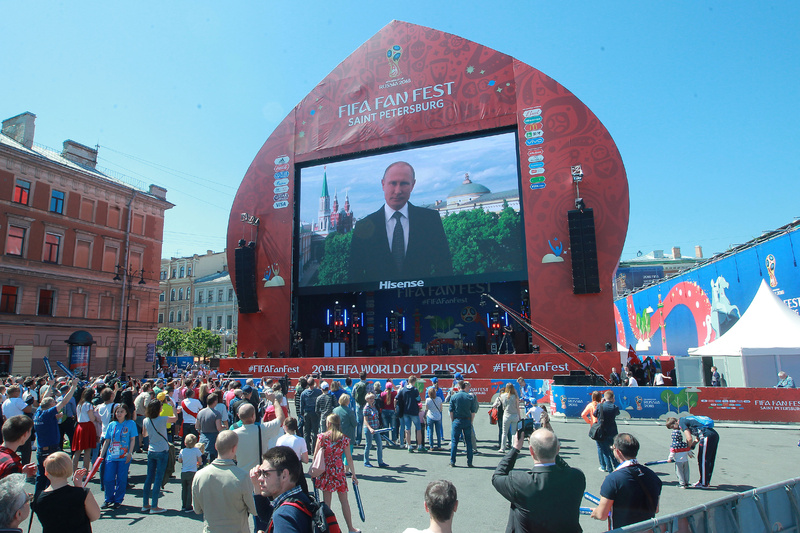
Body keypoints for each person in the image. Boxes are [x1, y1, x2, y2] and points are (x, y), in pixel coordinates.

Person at [348, 161, 453, 283]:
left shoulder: (430, 220)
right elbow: (354, 277)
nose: (397, 191)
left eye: (404, 184)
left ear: (412, 185)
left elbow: (445, 270)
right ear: (383, 184)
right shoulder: (363, 226)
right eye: (393, 183)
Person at [493, 428, 585, 533]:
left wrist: (515, 449)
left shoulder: (520, 482)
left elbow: (498, 476)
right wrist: (552, 450)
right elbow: (566, 469)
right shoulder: (577, 477)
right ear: (558, 449)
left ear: (531, 451)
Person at [590, 433, 662, 529]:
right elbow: (655, 509)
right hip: (646, 529)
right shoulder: (652, 476)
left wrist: (596, 512)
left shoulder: (613, 479)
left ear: (618, 452)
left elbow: (601, 515)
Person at [192, 430, 257, 532]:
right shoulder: (242, 477)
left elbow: (197, 509)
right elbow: (254, 509)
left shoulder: (199, 475)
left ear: (216, 446)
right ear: (234, 448)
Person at [313, 413, 360, 533]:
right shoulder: (343, 438)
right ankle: (350, 528)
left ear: (328, 424)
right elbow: (349, 458)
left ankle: (327, 528)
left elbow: (315, 456)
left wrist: (314, 472)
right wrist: (353, 474)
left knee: (326, 503)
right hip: (339, 471)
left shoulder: (322, 437)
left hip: (326, 471)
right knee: (344, 501)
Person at [33, 451, 101, 533]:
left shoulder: (38, 497)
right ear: (69, 470)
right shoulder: (82, 493)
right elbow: (95, 516)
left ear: (46, 472)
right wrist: (79, 487)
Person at [250, 445, 312, 532]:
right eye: (260, 472)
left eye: (266, 473)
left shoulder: (284, 514)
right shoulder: (301, 499)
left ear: (284, 475)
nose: (260, 478)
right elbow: (267, 515)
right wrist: (257, 486)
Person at [33, 378, 78, 497]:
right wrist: (73, 386)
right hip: (51, 450)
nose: (55, 405)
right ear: (50, 406)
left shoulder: (38, 413)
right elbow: (64, 401)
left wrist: (50, 385)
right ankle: (50, 498)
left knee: (41, 476)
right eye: (53, 404)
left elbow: (43, 399)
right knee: (52, 476)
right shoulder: (48, 414)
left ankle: (37, 499)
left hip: (41, 450)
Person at [232, 395, 285, 474]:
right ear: (254, 416)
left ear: (239, 416)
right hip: (258, 473)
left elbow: (233, 456)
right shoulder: (263, 429)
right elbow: (281, 418)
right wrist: (274, 400)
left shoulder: (233, 434)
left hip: (241, 474)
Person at [141, 399, 178, 513]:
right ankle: (154, 506)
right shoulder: (162, 419)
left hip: (151, 450)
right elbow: (175, 418)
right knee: (158, 478)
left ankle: (145, 504)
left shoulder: (146, 420)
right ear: (159, 409)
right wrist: (173, 407)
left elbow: (144, 434)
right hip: (162, 450)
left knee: (149, 478)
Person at [99, 404, 137, 509]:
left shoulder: (130, 423)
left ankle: (118, 499)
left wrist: (130, 452)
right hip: (111, 456)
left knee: (121, 478)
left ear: (126, 413)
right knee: (108, 478)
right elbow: (107, 441)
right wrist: (101, 455)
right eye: (117, 412)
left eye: (121, 411)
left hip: (124, 456)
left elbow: (133, 439)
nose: (119, 414)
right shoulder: (112, 424)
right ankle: (108, 499)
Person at [679, 415, 720, 488]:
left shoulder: (682, 421)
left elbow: (689, 438)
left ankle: (704, 483)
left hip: (706, 436)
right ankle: (705, 481)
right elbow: (697, 436)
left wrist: (687, 449)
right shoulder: (692, 422)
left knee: (703, 460)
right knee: (709, 459)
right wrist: (693, 444)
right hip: (713, 435)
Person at [448, 380, 477, 468]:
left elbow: (451, 411)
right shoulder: (469, 397)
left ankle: (452, 461)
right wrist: (471, 421)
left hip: (457, 420)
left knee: (454, 441)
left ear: (459, 387)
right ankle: (470, 461)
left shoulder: (454, 397)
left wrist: (453, 420)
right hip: (467, 420)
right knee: (468, 442)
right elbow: (473, 411)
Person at [72, 388, 100, 472]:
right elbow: (91, 418)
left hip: (79, 426)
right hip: (87, 427)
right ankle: (85, 472)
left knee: (77, 451)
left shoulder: (79, 404)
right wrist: (96, 416)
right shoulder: (89, 405)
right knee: (87, 451)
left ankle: (74, 472)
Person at [0, 416, 36, 481]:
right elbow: (12, 489)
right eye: (30, 431)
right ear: (24, 435)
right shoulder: (13, 464)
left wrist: (20, 473)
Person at [397, 375, 425, 452]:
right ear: (414, 381)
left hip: (406, 411)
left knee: (407, 429)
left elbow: (397, 398)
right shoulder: (415, 390)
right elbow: (418, 399)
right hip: (414, 411)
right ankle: (419, 445)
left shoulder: (403, 390)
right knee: (418, 428)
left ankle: (409, 445)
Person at [594, 390, 620, 473]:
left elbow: (595, 414)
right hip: (612, 431)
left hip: (602, 431)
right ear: (612, 398)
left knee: (605, 451)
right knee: (613, 450)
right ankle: (616, 466)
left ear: (604, 398)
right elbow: (617, 413)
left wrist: (601, 403)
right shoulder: (615, 407)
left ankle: (609, 469)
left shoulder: (600, 406)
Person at [177, 433, 203, 512]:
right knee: (190, 489)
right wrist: (199, 463)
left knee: (184, 489)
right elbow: (200, 460)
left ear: (185, 443)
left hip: (184, 472)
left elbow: (180, 460)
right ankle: (189, 506)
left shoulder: (182, 451)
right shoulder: (196, 450)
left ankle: (184, 505)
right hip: (192, 472)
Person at [665, 417, 692, 488]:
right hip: (685, 460)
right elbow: (688, 450)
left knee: (679, 472)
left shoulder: (674, 446)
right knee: (686, 471)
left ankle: (682, 483)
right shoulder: (684, 444)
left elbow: (672, 453)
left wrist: (669, 459)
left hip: (678, 461)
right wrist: (690, 454)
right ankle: (687, 482)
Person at [196, 393, 223, 462]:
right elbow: (218, 428)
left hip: (202, 437)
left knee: (202, 459)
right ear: (215, 401)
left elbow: (197, 426)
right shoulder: (216, 413)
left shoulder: (200, 412)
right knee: (212, 459)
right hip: (213, 438)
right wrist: (223, 427)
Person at [362, 392, 388, 468]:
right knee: (368, 445)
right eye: (370, 398)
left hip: (376, 428)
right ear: (367, 399)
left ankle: (380, 461)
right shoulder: (366, 408)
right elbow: (365, 420)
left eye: (373, 398)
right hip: (369, 429)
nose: (372, 400)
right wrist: (370, 429)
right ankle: (366, 461)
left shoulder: (374, 406)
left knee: (379, 444)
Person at [300, 378, 322, 453]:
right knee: (315, 431)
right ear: (314, 383)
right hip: (315, 413)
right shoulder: (318, 392)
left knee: (307, 431)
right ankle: (314, 449)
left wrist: (301, 413)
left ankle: (307, 449)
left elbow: (301, 404)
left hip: (306, 412)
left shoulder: (304, 393)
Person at [333, 393, 357, 460]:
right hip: (348, 435)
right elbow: (354, 423)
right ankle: (346, 469)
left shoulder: (335, 410)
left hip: (337, 434)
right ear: (348, 401)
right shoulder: (350, 411)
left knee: (338, 453)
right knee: (347, 455)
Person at [498, 383, 520, 453]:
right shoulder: (515, 396)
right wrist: (519, 416)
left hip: (507, 414)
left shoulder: (503, 396)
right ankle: (513, 448)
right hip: (514, 414)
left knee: (504, 432)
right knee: (513, 432)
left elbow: (503, 405)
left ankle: (502, 448)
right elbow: (517, 407)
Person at [351, 372, 370, 447]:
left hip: (358, 405)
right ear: (366, 377)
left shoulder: (356, 385)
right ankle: (368, 440)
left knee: (359, 423)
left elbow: (353, 394)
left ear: (359, 376)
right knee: (367, 422)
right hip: (366, 405)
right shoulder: (368, 385)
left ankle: (358, 440)